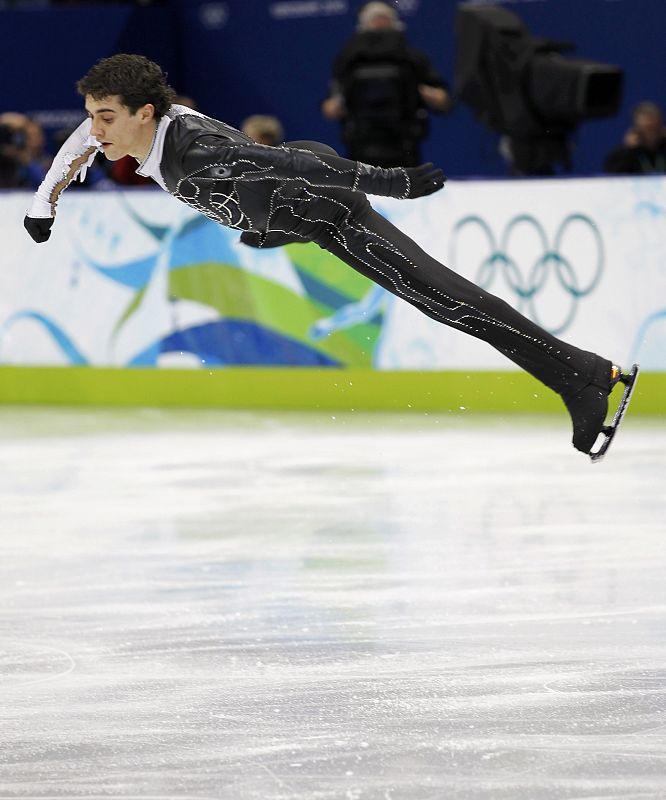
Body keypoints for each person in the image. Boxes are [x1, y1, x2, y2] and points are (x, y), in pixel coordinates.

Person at [23, 53, 637, 460]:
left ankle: (588, 376)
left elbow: (286, 162)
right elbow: (74, 149)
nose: (95, 129)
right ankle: (582, 378)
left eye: (106, 117)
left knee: (451, 300)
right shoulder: (131, 129)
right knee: (444, 305)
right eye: (93, 115)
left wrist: (386, 182)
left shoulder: (197, 151)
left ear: (144, 114)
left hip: (331, 206)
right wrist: (42, 208)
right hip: (308, 219)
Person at [321, 1, 450, 167]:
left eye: (385, 20)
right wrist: (335, 105)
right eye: (375, 20)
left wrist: (429, 94)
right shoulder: (349, 61)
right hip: (361, 144)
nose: (380, 26)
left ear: (395, 24)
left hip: (404, 144)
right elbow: (330, 105)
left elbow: (443, 100)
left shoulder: (412, 59)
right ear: (364, 25)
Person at [604, 101, 666, 175]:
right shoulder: (623, 154)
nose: (650, 134)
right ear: (636, 130)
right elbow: (612, 178)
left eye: (654, 128)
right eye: (646, 129)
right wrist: (628, 151)